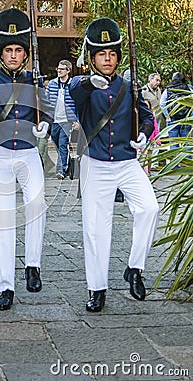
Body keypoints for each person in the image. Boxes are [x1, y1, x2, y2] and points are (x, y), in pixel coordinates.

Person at [69, 17, 159, 312]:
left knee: (149, 208)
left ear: (118, 56)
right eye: (101, 54)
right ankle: (97, 288)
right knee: (96, 228)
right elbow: (74, 89)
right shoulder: (84, 85)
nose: (107, 59)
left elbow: (147, 117)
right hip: (96, 163)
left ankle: (134, 268)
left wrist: (144, 135)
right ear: (93, 58)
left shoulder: (129, 86)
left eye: (112, 54)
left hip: (126, 161)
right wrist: (87, 82)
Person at [0, 8, 53, 311]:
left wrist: (47, 125)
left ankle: (33, 264)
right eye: (9, 50)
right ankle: (5, 286)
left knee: (36, 203)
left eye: (19, 50)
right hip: (0, 154)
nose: (14, 55)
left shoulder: (35, 79)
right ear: (1, 52)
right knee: (3, 221)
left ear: (25, 53)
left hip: (29, 152)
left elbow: (49, 111)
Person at [47, 59, 79, 179]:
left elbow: (78, 104)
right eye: (58, 69)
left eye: (61, 69)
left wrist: (77, 121)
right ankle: (65, 166)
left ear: (68, 71)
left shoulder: (73, 85)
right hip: (54, 120)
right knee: (57, 144)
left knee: (62, 144)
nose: (59, 71)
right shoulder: (52, 84)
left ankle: (61, 170)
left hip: (67, 120)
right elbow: (46, 100)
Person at [160, 72, 193, 148]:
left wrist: (167, 115)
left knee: (173, 142)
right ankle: (185, 159)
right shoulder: (189, 88)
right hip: (186, 119)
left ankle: (174, 158)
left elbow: (162, 103)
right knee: (186, 143)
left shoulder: (168, 90)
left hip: (172, 119)